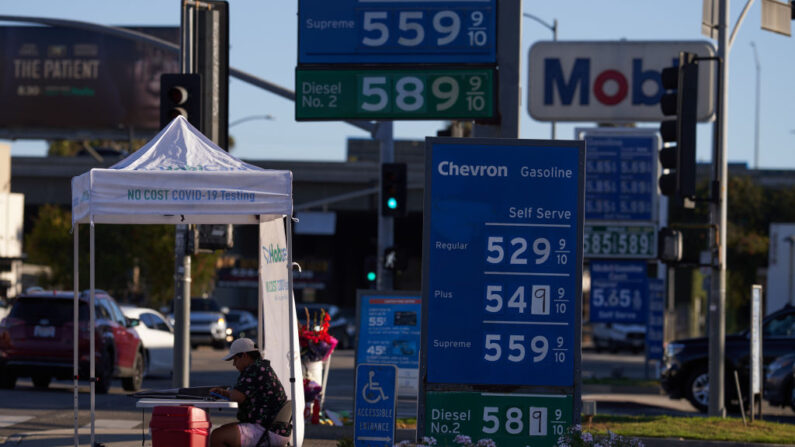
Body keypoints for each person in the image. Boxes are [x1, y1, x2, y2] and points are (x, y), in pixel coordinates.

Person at [209, 338, 291, 447]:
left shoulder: (253, 369)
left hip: (267, 429)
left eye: (235, 359)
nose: (234, 364)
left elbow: (237, 397)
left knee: (217, 436)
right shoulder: (262, 367)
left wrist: (226, 393)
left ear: (244, 355)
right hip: (276, 428)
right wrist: (226, 392)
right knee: (222, 430)